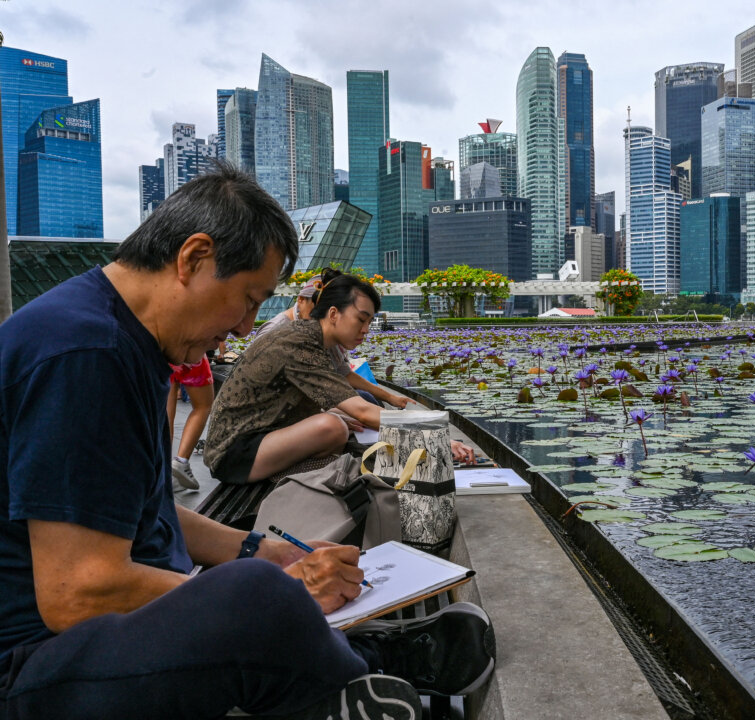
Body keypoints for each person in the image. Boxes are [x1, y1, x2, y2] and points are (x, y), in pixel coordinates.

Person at [0, 164, 494, 719]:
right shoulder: (84, 355)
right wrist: (286, 590)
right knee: (255, 594)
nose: (245, 327)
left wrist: (265, 550)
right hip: (34, 664)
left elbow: (141, 508)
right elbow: (77, 593)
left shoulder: (124, 341)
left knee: (262, 574)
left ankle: (353, 662)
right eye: (249, 298)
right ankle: (370, 669)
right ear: (193, 258)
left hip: (89, 640)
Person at [205, 268, 475, 484]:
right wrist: (434, 436)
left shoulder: (310, 338)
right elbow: (361, 410)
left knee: (339, 424)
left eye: (369, 322)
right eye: (361, 319)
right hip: (233, 454)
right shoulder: (298, 342)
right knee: (332, 427)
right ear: (333, 314)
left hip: (258, 440)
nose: (366, 330)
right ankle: (289, 478)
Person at [257, 273, 416, 410]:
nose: (321, 313)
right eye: (360, 320)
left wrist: (389, 397)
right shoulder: (281, 333)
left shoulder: (323, 333)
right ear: (300, 300)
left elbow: (342, 373)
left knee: (366, 401)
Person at [166, 354, 214, 491]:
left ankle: (162, 467)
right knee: (203, 406)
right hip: (190, 349)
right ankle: (181, 461)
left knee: (165, 410)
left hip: (162, 346)